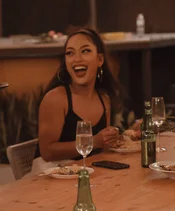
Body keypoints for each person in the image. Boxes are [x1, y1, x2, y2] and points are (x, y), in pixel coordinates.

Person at [33, 28, 123, 173]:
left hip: (87, 172)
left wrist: (123, 136)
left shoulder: (104, 100)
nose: (76, 59)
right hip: (50, 176)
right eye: (70, 53)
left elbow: (102, 148)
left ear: (100, 59)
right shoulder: (56, 99)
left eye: (85, 51)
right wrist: (94, 141)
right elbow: (47, 152)